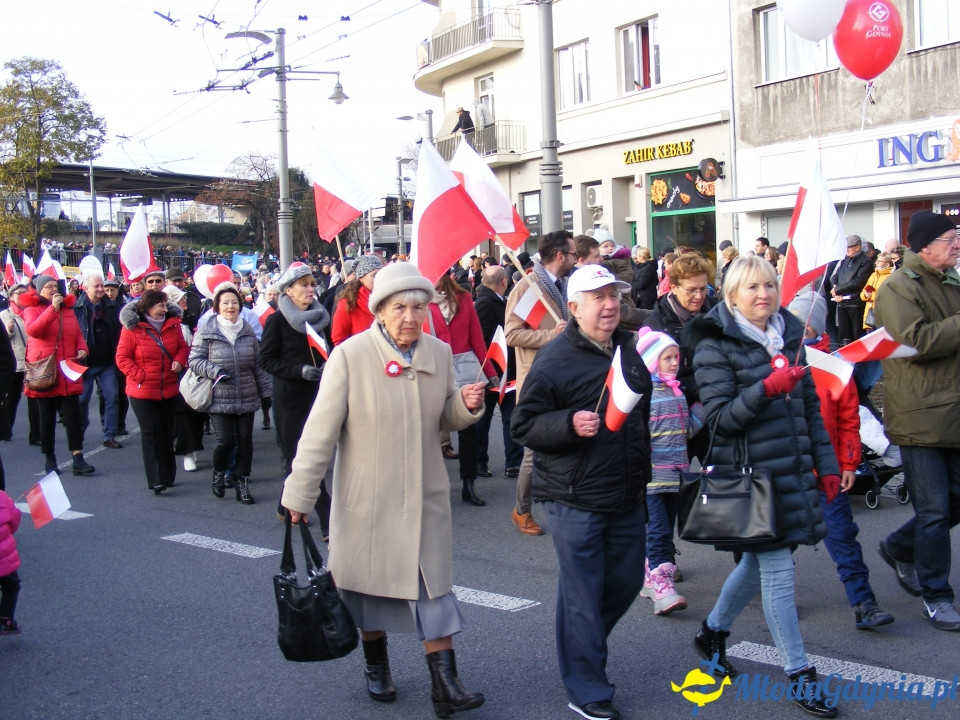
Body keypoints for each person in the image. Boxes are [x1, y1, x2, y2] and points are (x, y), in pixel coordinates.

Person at [281, 262, 487, 717]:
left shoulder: (438, 352)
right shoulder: (350, 356)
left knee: (434, 590)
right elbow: (319, 434)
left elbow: (445, 416)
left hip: (425, 495)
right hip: (368, 500)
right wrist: (299, 494)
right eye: (399, 308)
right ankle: (377, 666)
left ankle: (446, 686)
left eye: (418, 308)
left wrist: (464, 405)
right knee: (366, 590)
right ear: (379, 310)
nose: (410, 317)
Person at [684, 255, 840, 717]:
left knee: (757, 563)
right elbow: (718, 420)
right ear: (732, 295)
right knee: (777, 570)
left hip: (791, 472)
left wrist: (827, 465)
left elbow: (810, 411)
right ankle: (800, 674)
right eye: (752, 287)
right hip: (752, 477)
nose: (763, 294)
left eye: (769, 285)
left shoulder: (790, 336)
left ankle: (712, 632)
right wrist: (767, 389)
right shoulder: (714, 345)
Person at [511, 264, 651, 720]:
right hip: (573, 497)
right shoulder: (555, 359)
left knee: (625, 582)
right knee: (585, 594)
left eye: (613, 296)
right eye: (598, 298)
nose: (610, 305)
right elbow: (523, 425)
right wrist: (568, 423)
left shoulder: (628, 349)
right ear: (573, 307)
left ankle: (579, 643)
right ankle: (588, 688)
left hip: (626, 492)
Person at [787, 292, 895, 630]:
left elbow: (849, 419)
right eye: (794, 320)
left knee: (843, 536)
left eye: (806, 321)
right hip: (786, 472)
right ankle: (778, 598)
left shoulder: (834, 367)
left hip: (827, 471)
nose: (800, 326)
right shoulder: (777, 361)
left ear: (818, 326)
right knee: (778, 542)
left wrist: (849, 464)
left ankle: (864, 603)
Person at [874, 211, 960, 632]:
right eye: (950, 238)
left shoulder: (951, 281)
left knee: (950, 503)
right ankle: (937, 595)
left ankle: (900, 545)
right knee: (934, 511)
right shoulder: (897, 288)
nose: (957, 244)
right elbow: (916, 341)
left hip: (953, 411)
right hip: (920, 416)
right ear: (925, 246)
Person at [505, 230, 577, 536]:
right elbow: (512, 334)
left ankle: (568, 506)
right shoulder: (528, 286)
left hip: (567, 377)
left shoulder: (565, 285)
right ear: (560, 256)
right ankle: (522, 510)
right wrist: (551, 335)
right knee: (533, 452)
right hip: (538, 380)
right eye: (573, 254)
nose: (576, 259)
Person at [258, 264, 332, 535]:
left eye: (312, 284)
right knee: (301, 458)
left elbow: (329, 349)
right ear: (288, 291)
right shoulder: (277, 321)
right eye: (304, 285)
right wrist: (298, 370)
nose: (311, 289)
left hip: (319, 396)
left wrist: (329, 365)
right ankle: (327, 518)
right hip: (290, 400)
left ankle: (284, 506)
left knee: (312, 455)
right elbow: (266, 360)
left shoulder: (321, 317)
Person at [635, 329, 704, 617]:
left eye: (676, 357)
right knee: (660, 530)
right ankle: (660, 585)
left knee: (666, 528)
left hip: (676, 476)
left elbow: (686, 431)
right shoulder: (647, 396)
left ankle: (650, 570)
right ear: (652, 361)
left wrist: (702, 410)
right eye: (668, 358)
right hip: (653, 479)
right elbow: (638, 436)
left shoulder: (677, 393)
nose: (675, 362)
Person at [189, 282, 272, 505]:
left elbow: (257, 366)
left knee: (245, 442)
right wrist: (214, 371)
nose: (230, 306)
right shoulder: (207, 331)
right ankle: (219, 472)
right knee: (225, 441)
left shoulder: (248, 331)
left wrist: (266, 392)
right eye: (225, 302)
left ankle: (242, 484)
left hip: (246, 394)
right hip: (218, 395)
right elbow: (194, 360)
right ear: (217, 306)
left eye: (234, 302)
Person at [430, 273, 498, 506]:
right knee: (430, 428)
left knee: (469, 429)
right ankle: (431, 487)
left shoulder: (463, 298)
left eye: (437, 274)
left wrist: (490, 373)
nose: (432, 278)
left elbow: (477, 339)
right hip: (434, 369)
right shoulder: (418, 301)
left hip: (465, 370)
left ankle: (469, 483)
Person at [116, 290, 189, 495]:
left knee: (166, 432)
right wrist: (140, 376)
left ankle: (168, 475)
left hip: (168, 388)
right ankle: (155, 479)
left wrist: (179, 361)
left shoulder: (173, 324)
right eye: (160, 306)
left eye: (166, 305)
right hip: (142, 391)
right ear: (148, 307)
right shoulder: (132, 328)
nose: (164, 310)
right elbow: (122, 358)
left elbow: (182, 347)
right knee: (150, 433)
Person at [21, 275, 95, 476]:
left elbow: (77, 334)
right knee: (47, 418)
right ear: (39, 290)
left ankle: (77, 457)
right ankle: (49, 457)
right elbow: (34, 331)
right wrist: (52, 309)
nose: (54, 289)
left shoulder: (68, 310)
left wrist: (83, 348)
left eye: (55, 286)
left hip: (67, 369)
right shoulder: (31, 309)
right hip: (46, 371)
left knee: (73, 416)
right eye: (48, 287)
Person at [473, 266, 523, 478]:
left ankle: (513, 462)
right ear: (503, 281)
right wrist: (492, 371)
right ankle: (479, 462)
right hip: (493, 372)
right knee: (484, 420)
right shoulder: (485, 303)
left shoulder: (496, 300)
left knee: (510, 417)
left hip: (504, 371)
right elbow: (484, 341)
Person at [74, 274, 123, 450]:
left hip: (107, 363)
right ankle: (79, 431)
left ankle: (110, 435)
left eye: (102, 285)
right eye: (97, 286)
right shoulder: (76, 308)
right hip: (84, 364)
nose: (101, 289)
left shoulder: (113, 307)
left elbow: (120, 333)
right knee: (82, 401)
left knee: (112, 398)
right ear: (86, 288)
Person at [162, 286, 204, 473]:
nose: (184, 301)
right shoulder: (170, 326)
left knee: (191, 415)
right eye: (179, 299)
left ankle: (189, 450)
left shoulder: (187, 324)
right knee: (177, 417)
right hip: (169, 376)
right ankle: (183, 450)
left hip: (189, 375)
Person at [823, 235, 873, 346]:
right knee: (844, 337)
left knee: (857, 336)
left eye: (848, 247)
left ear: (857, 247)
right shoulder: (845, 260)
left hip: (855, 304)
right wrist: (835, 290)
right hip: (841, 303)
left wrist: (838, 290)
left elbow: (858, 282)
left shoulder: (866, 262)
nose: (846, 250)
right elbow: (835, 277)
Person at [1, 284, 32, 442]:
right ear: (11, 296)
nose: (22, 295)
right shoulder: (4, 315)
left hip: (31, 363)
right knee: (12, 397)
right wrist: (9, 330)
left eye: (24, 292)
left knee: (33, 398)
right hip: (15, 362)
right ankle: (7, 428)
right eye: (18, 293)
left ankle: (36, 434)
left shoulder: (30, 313)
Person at [331, 255, 384, 345]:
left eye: (381, 274)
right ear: (361, 278)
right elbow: (338, 339)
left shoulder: (389, 299)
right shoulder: (348, 303)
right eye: (374, 275)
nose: (378, 279)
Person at [0, 488, 21, 635]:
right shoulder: (2, 497)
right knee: (12, 586)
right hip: (3, 557)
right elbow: (14, 521)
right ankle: (5, 620)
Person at [859, 251, 894, 330]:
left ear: (887, 264)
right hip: (869, 316)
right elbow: (862, 293)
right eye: (876, 261)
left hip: (882, 316)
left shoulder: (891, 276)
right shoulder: (873, 275)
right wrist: (865, 295)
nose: (876, 263)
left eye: (879, 261)